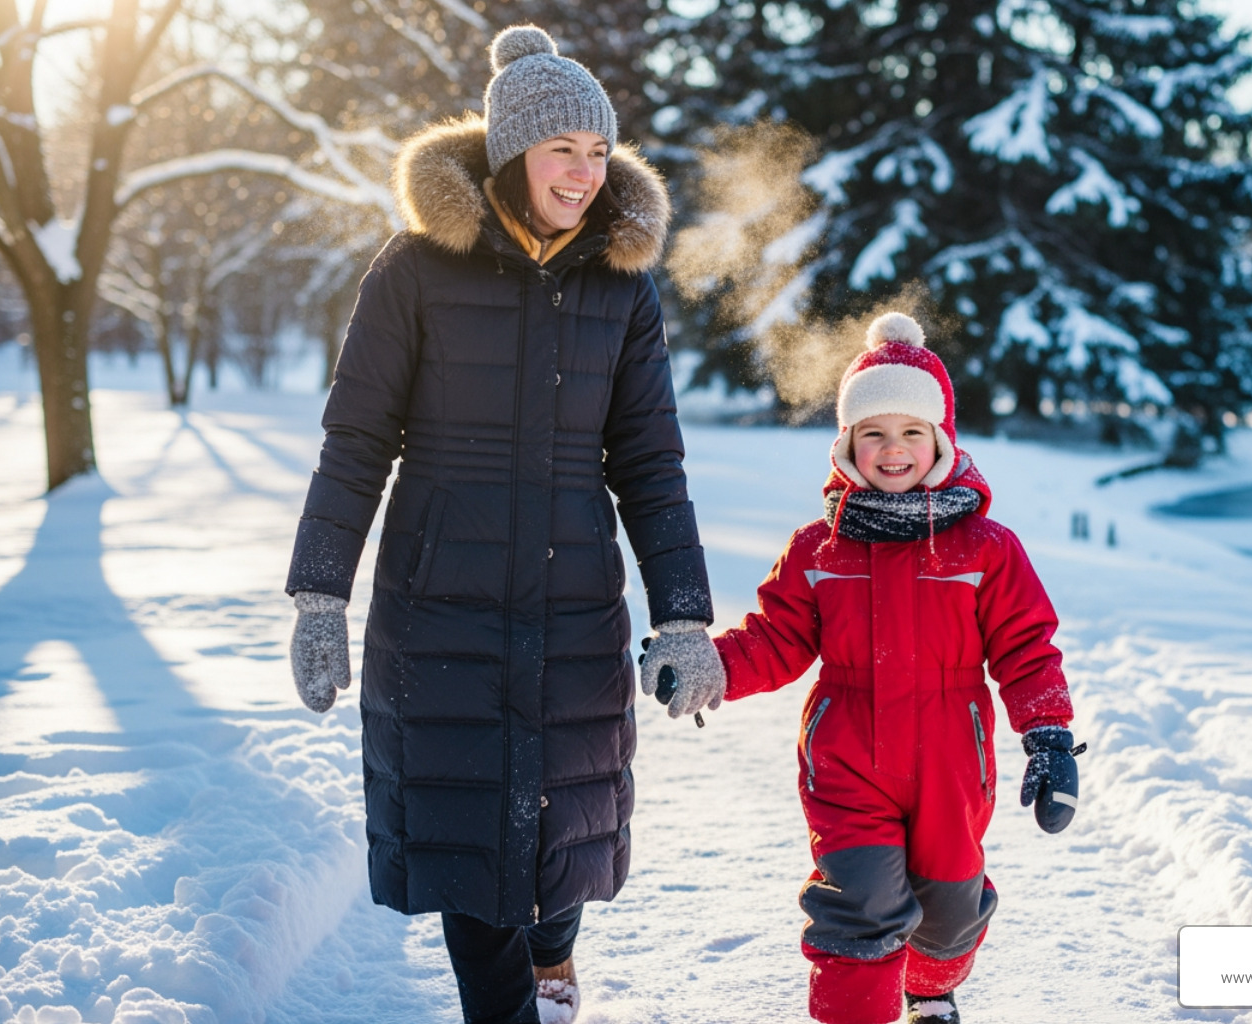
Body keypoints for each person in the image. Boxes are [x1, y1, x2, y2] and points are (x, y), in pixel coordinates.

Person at [285, 24, 725, 1024]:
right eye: (562, 148)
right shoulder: (415, 269)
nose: (584, 172)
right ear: (511, 150)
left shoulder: (622, 288)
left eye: (599, 150)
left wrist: (684, 615)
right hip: (441, 598)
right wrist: (319, 593)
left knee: (564, 816)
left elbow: (650, 463)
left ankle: (554, 955)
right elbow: (356, 441)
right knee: (470, 844)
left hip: (574, 599)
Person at [707, 313, 1081, 1024]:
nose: (893, 448)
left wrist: (1050, 737)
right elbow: (776, 637)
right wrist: (713, 668)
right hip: (847, 753)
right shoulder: (818, 547)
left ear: (941, 440)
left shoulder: (985, 548)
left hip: (951, 757)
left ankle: (931, 990)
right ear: (847, 444)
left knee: (950, 909)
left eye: (912, 431)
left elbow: (1026, 647)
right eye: (873, 433)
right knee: (859, 906)